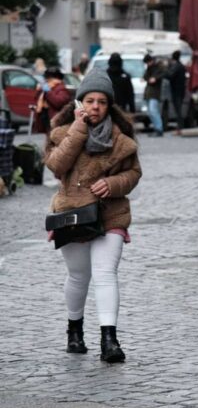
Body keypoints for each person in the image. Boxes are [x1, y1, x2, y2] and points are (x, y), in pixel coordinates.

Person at [44, 69, 142, 363]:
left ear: (109, 105)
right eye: (90, 100)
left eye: (101, 101)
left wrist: (112, 184)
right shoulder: (61, 132)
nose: (95, 106)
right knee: (78, 276)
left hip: (110, 213)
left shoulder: (120, 138)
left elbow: (134, 173)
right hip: (72, 212)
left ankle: (109, 340)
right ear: (80, 103)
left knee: (104, 273)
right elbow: (57, 166)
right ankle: (74, 331)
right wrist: (78, 130)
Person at [34, 68, 72, 136]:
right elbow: (37, 99)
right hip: (46, 118)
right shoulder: (49, 87)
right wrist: (39, 90)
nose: (47, 80)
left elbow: (58, 102)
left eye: (49, 78)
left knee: (53, 138)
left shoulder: (61, 89)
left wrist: (48, 91)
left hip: (55, 120)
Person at [164, 50, 187, 132]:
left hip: (177, 91)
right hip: (180, 90)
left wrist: (165, 70)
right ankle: (180, 127)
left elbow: (170, 75)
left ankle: (180, 127)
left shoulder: (176, 66)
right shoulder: (181, 66)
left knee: (178, 110)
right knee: (178, 109)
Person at [143, 54, 165, 137]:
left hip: (155, 93)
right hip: (148, 93)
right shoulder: (149, 69)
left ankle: (159, 129)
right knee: (150, 112)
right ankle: (157, 128)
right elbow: (145, 77)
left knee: (153, 111)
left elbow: (161, 75)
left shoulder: (158, 68)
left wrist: (155, 78)